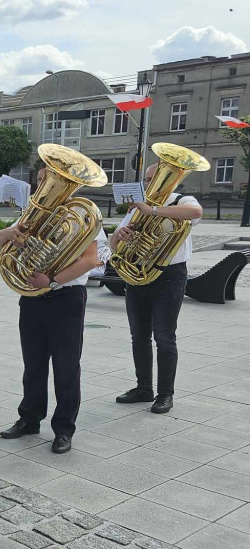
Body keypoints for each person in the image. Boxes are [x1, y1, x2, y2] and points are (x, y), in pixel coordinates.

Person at [0, 174, 99, 455]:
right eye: (41, 179)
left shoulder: (83, 215)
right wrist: (9, 234)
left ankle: (64, 429)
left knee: (66, 368)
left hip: (66, 297)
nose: (44, 184)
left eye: (49, 179)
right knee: (33, 364)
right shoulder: (33, 215)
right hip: (32, 299)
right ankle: (29, 418)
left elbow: (90, 260)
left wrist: (51, 280)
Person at [110, 164, 203, 414]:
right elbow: (113, 243)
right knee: (139, 336)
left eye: (155, 178)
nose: (150, 183)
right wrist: (120, 235)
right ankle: (144, 389)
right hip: (137, 273)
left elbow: (196, 212)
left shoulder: (181, 200)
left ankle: (165, 394)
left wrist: (151, 210)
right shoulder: (136, 208)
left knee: (164, 337)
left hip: (169, 276)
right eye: (147, 179)